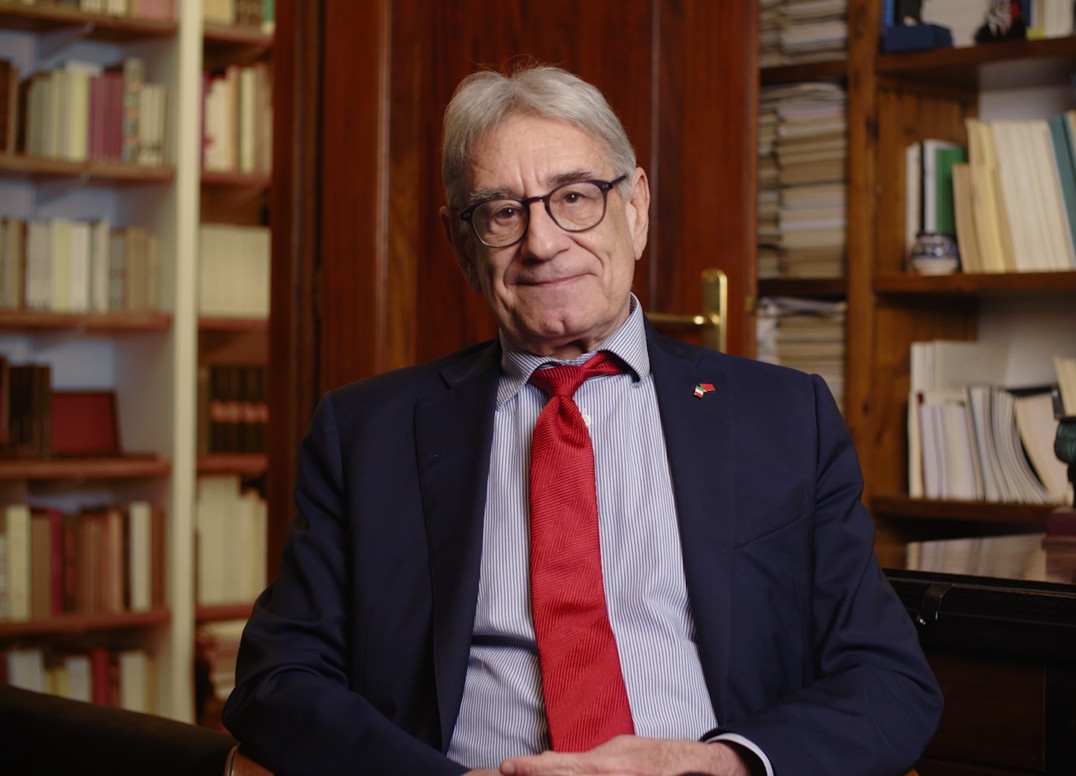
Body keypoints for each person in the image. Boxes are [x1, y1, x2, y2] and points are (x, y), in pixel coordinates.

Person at [224, 64, 942, 776]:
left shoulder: (785, 418)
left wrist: (720, 764)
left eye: (574, 197)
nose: (542, 243)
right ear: (460, 243)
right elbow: (277, 680)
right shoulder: (366, 434)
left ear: (636, 207)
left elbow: (888, 680)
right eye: (503, 212)